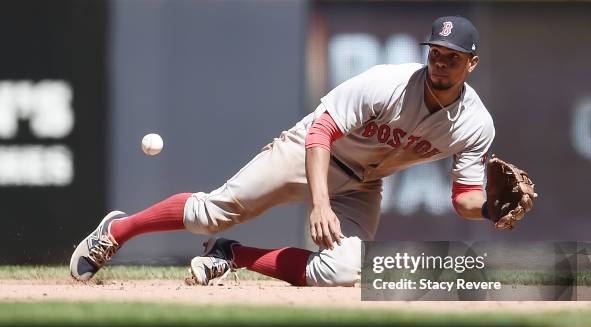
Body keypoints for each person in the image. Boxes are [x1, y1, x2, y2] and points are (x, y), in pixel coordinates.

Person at [70, 15, 494, 287]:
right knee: (209, 214)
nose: (439, 63)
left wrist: (491, 209)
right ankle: (117, 231)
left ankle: (232, 255)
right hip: (308, 151)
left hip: (363, 184)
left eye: (451, 57)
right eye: (435, 53)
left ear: (471, 64)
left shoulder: (475, 125)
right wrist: (321, 204)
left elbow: (464, 199)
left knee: (345, 270)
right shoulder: (390, 83)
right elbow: (321, 133)